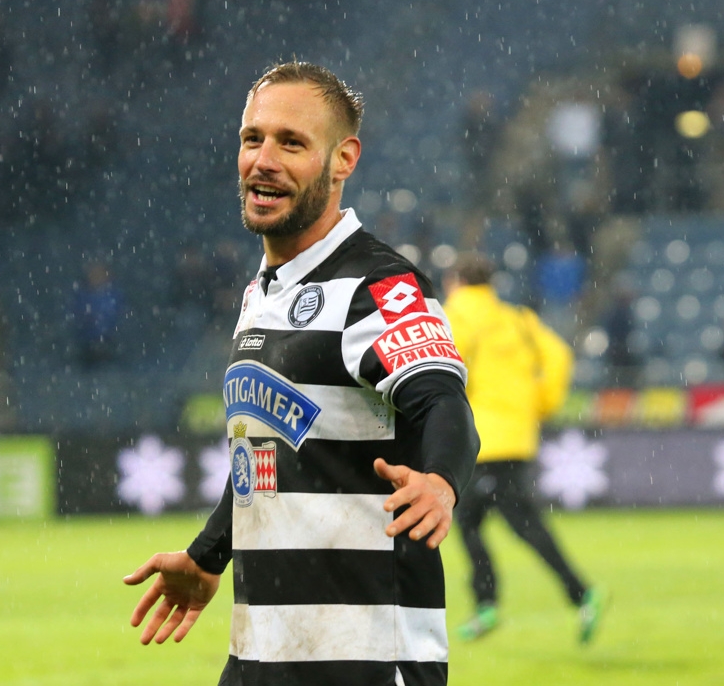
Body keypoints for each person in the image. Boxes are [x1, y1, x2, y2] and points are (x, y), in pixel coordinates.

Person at [124, 61, 479, 686]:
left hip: (363, 657)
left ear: (344, 160)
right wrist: (209, 557)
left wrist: (441, 482)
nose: (263, 159)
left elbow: (443, 402)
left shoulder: (376, 284)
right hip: (263, 651)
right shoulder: (261, 293)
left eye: (292, 143)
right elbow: (266, 459)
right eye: (252, 138)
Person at [441, 252, 606, 644]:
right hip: (517, 437)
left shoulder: (454, 318)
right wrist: (543, 401)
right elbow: (560, 356)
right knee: (473, 520)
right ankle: (491, 603)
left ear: (455, 283)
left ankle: (577, 593)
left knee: (505, 524)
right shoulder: (519, 320)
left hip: (481, 440)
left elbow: (443, 368)